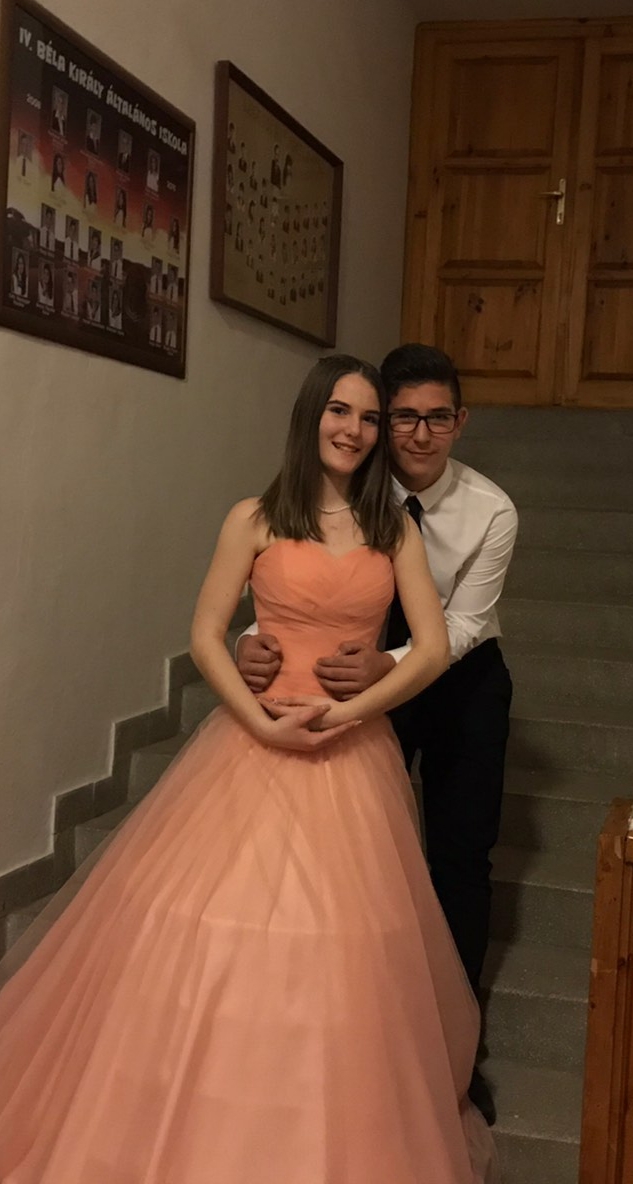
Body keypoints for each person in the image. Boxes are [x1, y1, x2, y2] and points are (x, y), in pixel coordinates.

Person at [0, 356, 499, 1184]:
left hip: (348, 753)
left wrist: (349, 714)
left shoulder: (392, 529)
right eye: (339, 411)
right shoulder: (254, 517)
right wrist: (260, 720)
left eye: (369, 417)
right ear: (310, 416)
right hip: (251, 744)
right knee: (207, 926)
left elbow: (434, 647)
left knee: (340, 946)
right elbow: (205, 634)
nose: (353, 430)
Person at [237, 344, 518, 1126]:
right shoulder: (345, 481)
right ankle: (336, 1025)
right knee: (348, 862)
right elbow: (295, 582)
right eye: (403, 418)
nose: (420, 434)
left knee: (458, 858)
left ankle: (455, 1052)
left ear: (459, 422)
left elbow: (459, 626)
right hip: (347, 676)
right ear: (383, 423)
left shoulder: (492, 510)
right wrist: (249, 641)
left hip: (456, 679)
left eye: (438, 418)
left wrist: (383, 665)